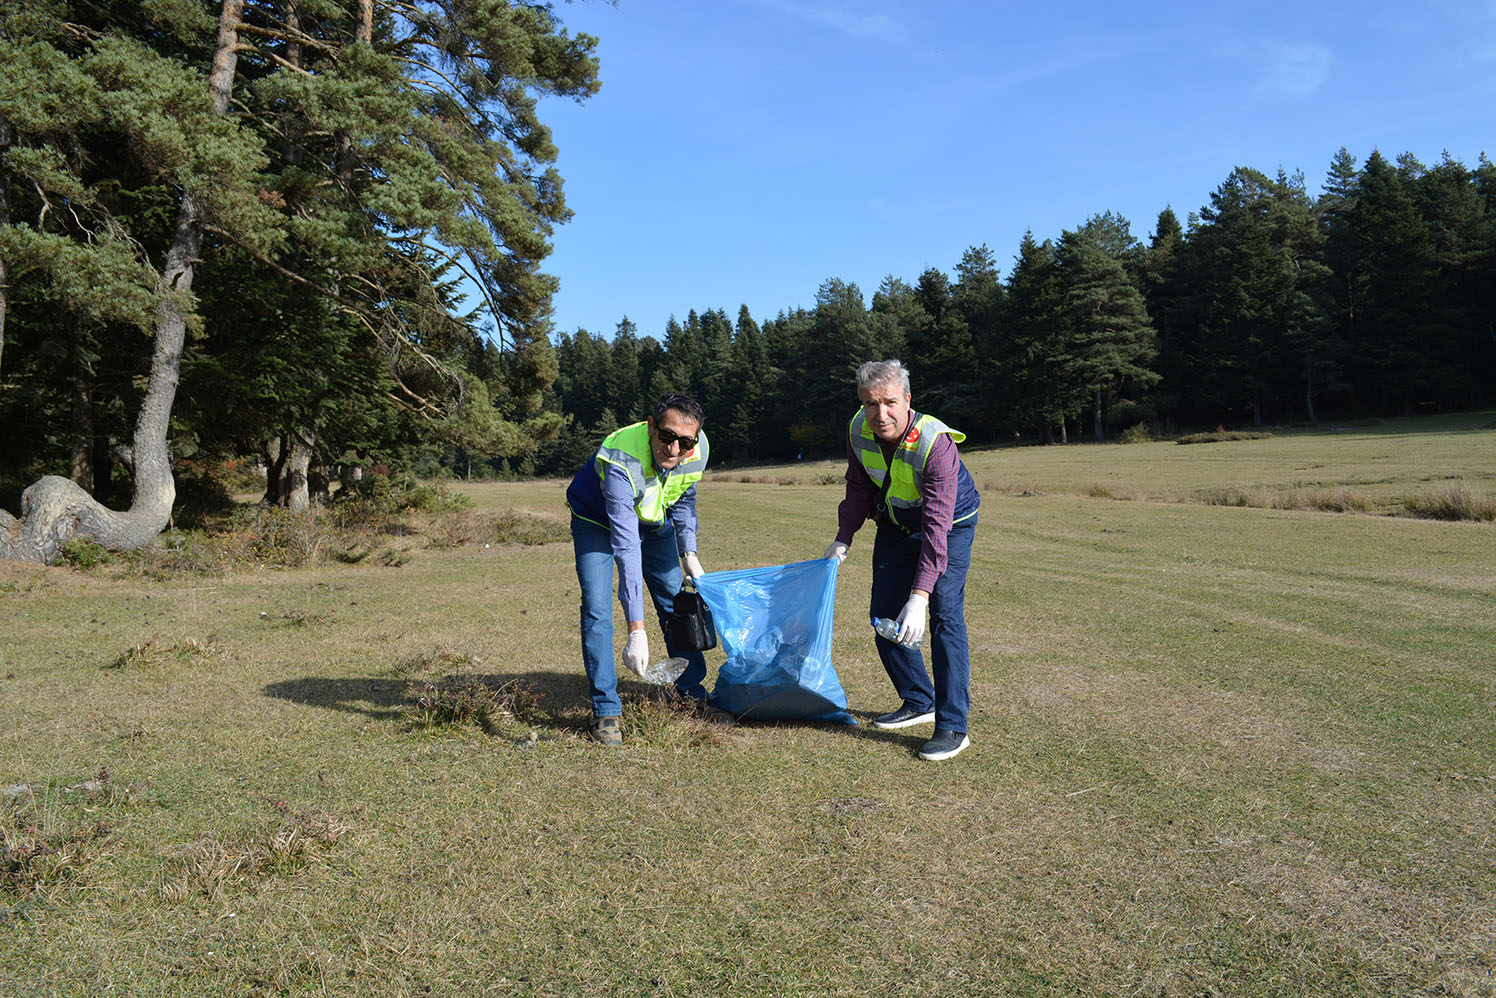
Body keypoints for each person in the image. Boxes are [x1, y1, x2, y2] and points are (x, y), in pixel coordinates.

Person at [824, 360, 980, 761]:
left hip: (949, 525)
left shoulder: (936, 443)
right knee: (883, 616)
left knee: (944, 615)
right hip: (894, 520)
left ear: (907, 400)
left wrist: (920, 596)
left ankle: (952, 726)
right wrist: (843, 538)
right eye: (871, 404)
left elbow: (936, 528)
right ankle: (918, 699)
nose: (880, 414)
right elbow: (858, 487)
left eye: (890, 402)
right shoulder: (858, 429)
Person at [566, 393, 711, 746]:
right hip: (597, 520)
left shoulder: (697, 450)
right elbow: (626, 547)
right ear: (651, 428)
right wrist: (637, 630)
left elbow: (684, 498)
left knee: (676, 602)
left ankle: (690, 695)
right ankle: (606, 709)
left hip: (654, 520)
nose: (675, 448)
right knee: (597, 607)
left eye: (685, 441)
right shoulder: (622, 459)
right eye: (667, 436)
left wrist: (688, 552)